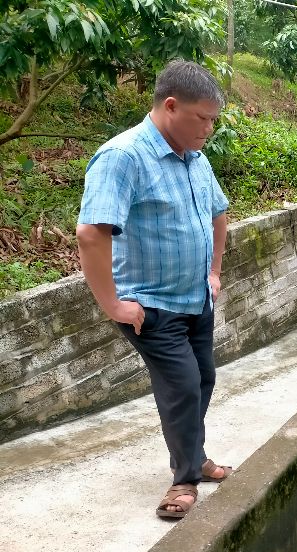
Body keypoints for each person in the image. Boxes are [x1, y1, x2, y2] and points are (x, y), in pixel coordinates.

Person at [76, 60, 232, 519]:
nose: (209, 127)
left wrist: (215, 270)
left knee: (202, 379)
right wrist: (112, 305)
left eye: (213, 119)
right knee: (183, 386)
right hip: (152, 305)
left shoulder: (195, 159)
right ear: (170, 106)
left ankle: (194, 455)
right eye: (203, 118)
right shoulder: (123, 157)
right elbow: (91, 234)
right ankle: (184, 479)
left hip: (195, 297)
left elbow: (218, 213)